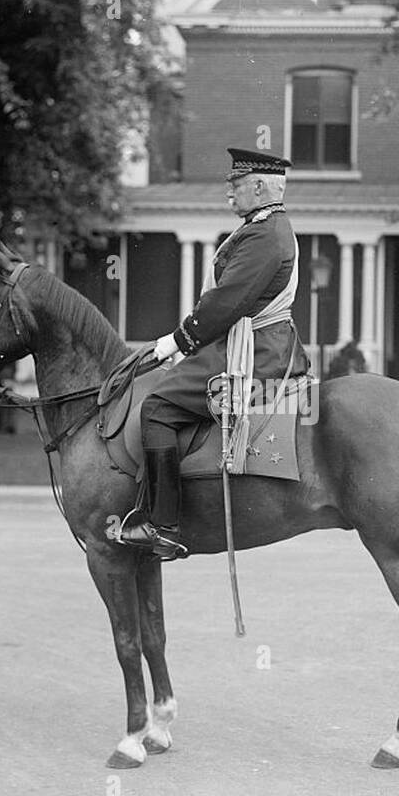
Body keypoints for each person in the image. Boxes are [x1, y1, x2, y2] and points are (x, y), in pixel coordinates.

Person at [119, 147, 310, 560]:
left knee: (156, 409)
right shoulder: (263, 228)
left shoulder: (265, 235)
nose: (230, 195)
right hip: (244, 342)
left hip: (253, 351)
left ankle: (163, 525)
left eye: (236, 186)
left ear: (259, 187)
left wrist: (179, 341)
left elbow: (227, 302)